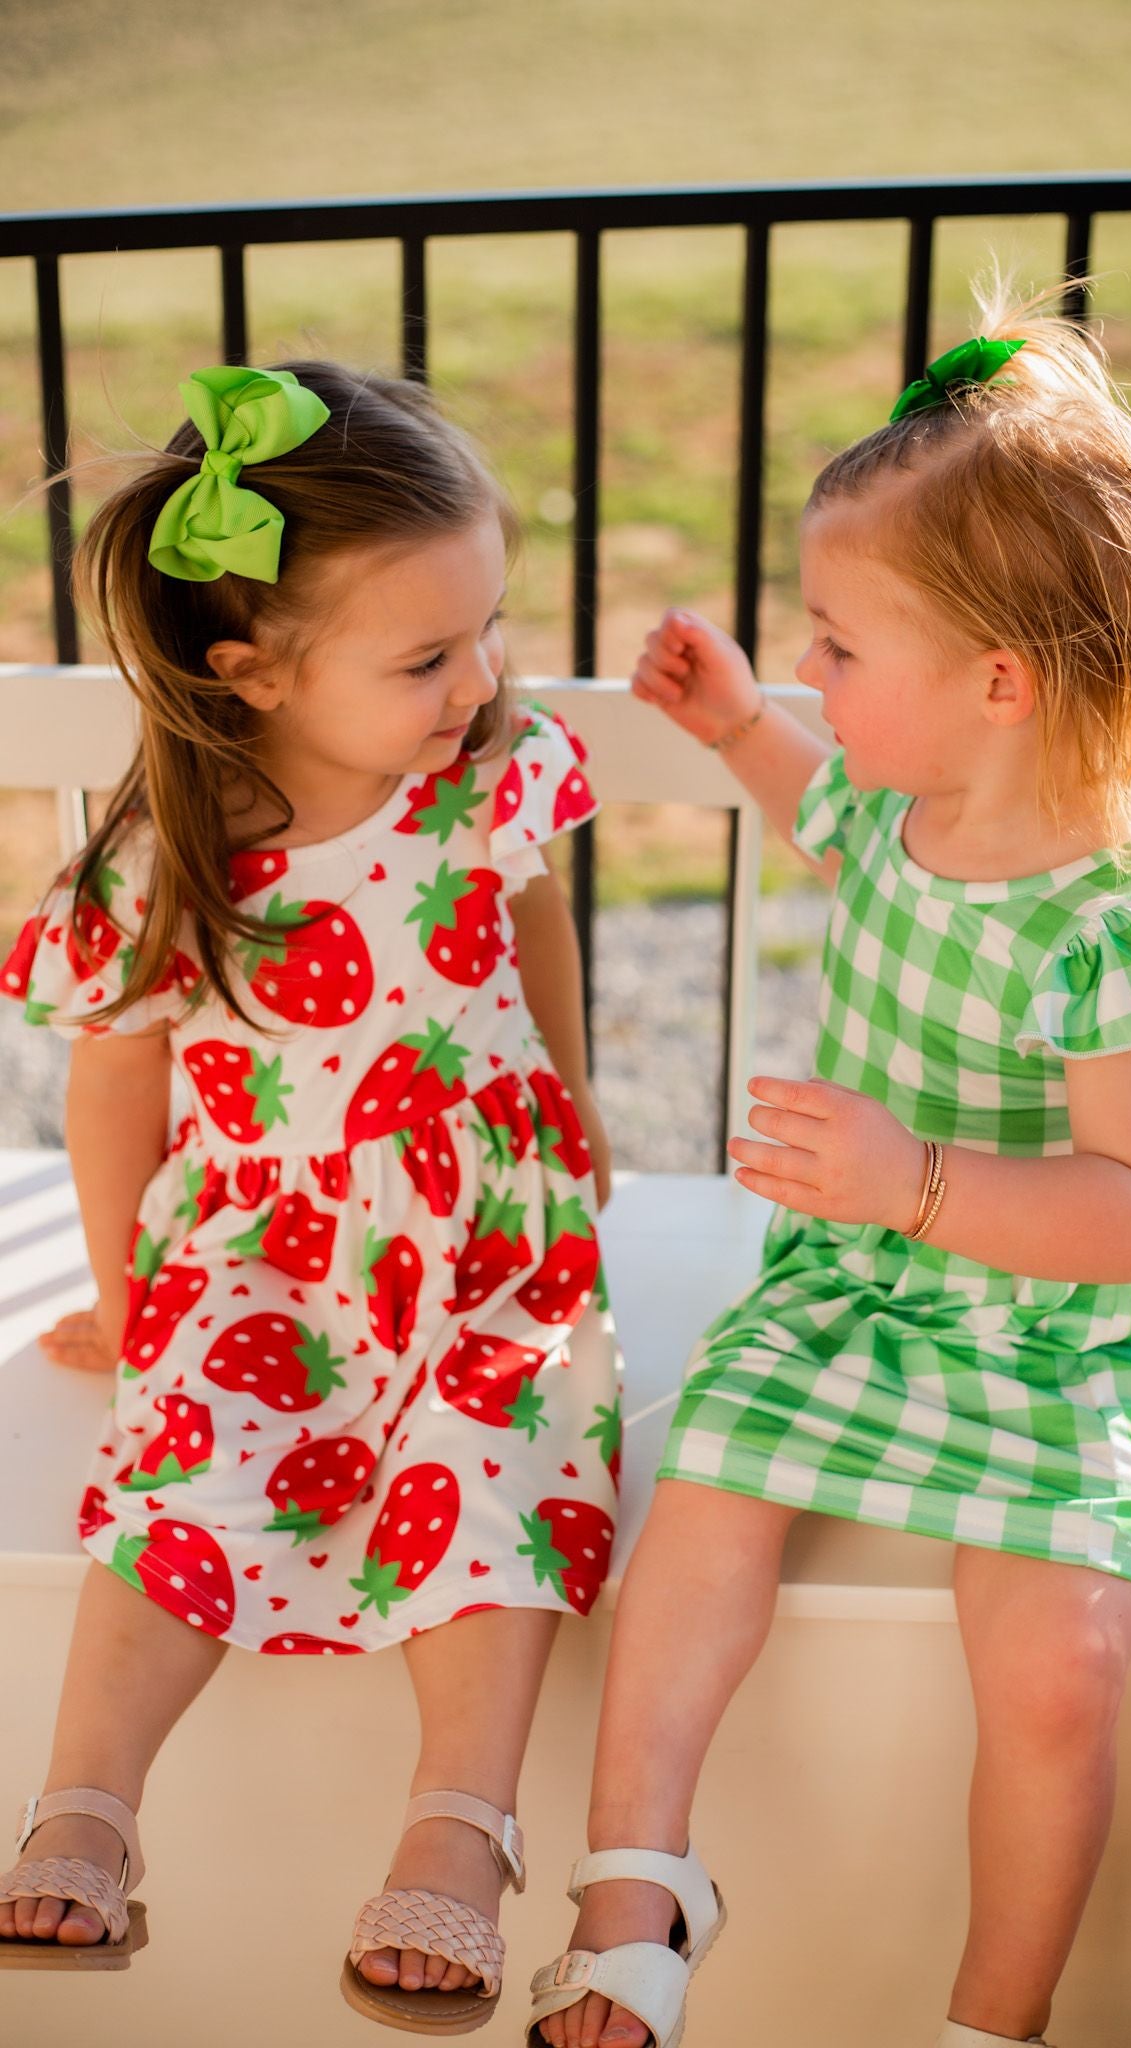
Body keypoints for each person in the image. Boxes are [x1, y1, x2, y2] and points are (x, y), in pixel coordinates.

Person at [524, 297, 1131, 2048]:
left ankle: (990, 2018)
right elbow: (812, 791)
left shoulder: (1110, 930)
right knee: (696, 1503)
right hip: (865, 1284)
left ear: (996, 686)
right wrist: (732, 726)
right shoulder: (901, 808)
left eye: (840, 648)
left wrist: (913, 1175)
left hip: (1058, 1330)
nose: (813, 679)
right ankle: (635, 1885)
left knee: (1053, 1673)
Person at [0, 360, 622, 2036]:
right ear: (252, 671)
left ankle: (458, 1826)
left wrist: (569, 1091)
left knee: (506, 1457)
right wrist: (140, 1302)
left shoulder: (493, 775)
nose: (477, 682)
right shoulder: (172, 855)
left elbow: (537, 919)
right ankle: (89, 1802)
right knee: (182, 1456)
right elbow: (117, 1074)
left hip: (488, 1243)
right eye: (426, 657)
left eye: (488, 630)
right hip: (262, 1247)